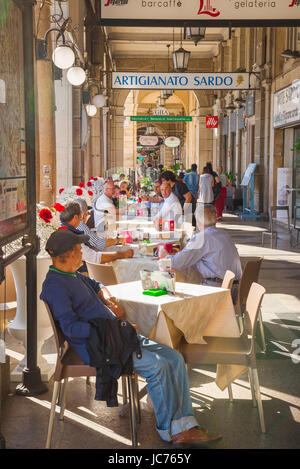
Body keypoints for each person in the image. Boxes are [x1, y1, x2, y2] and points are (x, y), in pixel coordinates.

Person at [40, 228, 222, 446]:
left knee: (174, 358)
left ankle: (185, 424)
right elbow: (72, 328)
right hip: (100, 347)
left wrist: (108, 299)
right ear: (67, 254)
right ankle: (170, 430)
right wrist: (115, 331)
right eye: (79, 250)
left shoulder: (72, 274)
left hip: (116, 337)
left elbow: (97, 285)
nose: (82, 253)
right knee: (158, 366)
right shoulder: (55, 285)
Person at [160, 205, 242, 300]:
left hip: (218, 291)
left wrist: (166, 256)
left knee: (178, 295)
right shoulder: (224, 234)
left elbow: (178, 263)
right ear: (216, 220)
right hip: (235, 288)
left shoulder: (201, 238)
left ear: (198, 222)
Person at [60, 201, 133, 265]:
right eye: (80, 216)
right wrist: (123, 254)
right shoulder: (73, 235)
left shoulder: (62, 228)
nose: (82, 219)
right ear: (76, 217)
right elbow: (95, 258)